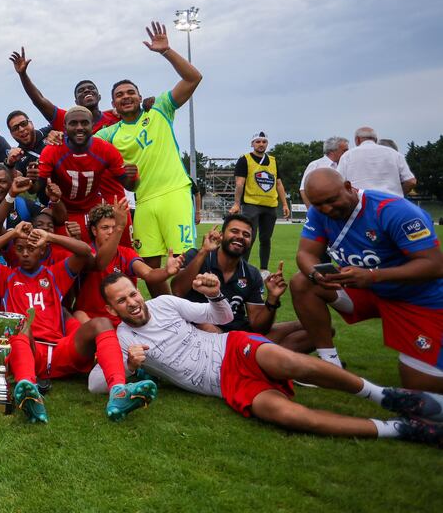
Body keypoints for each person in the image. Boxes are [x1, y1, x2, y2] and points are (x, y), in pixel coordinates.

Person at [89, 272, 443, 445]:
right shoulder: (120, 339)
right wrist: (130, 367)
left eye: (132, 293)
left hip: (230, 347)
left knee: (293, 362)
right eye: (121, 301)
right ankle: (399, 429)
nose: (132, 303)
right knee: (289, 416)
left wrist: (215, 297)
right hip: (226, 384)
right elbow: (94, 385)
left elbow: (221, 319)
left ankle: (385, 396)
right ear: (111, 308)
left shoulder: (163, 303)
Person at [0, 222, 157, 423]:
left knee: (101, 323)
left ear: (43, 251)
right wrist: (12, 233)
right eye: (19, 248)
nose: (24, 254)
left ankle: (118, 391)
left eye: (31, 249)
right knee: (22, 325)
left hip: (61, 349)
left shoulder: (55, 274)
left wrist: (50, 236)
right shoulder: (7, 277)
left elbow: (84, 252)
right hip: (29, 352)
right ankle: (29, 390)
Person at [289, 169, 443, 391]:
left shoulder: (395, 211)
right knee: (302, 282)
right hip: (367, 291)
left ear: (348, 187)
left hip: (415, 298)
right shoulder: (318, 213)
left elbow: (434, 265)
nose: (326, 209)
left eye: (331, 201)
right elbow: (305, 253)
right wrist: (316, 274)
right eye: (318, 204)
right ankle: (330, 367)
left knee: (419, 385)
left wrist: (373, 276)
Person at [94, 21, 204, 272]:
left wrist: (166, 51)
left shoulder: (160, 110)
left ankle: (189, 310)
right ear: (113, 104)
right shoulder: (110, 133)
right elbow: (80, 142)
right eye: (120, 95)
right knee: (149, 268)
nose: (126, 96)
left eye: (130, 92)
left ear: (139, 96)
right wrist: (55, 135)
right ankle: (166, 312)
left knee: (186, 262)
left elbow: (194, 77)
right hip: (142, 202)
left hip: (174, 192)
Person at [171, 214, 312, 352]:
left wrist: (272, 298)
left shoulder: (252, 274)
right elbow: (177, 290)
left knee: (315, 328)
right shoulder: (197, 255)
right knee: (207, 328)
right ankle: (256, 358)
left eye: (246, 234)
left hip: (240, 334)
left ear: (250, 241)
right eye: (234, 231)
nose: (240, 236)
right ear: (221, 235)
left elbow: (258, 327)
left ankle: (254, 359)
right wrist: (204, 251)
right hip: (203, 332)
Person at [36, 106, 137, 249]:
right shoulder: (53, 149)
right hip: (63, 211)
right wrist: (32, 178)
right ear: (64, 126)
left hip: (93, 208)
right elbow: (37, 186)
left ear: (92, 125)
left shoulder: (105, 148)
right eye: (73, 123)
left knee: (118, 249)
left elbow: (130, 186)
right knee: (63, 257)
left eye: (84, 123)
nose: (79, 127)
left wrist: (133, 177)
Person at [73, 200, 182, 324]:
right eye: (105, 227)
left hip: (123, 320)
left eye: (114, 227)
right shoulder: (85, 252)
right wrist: (119, 227)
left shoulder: (126, 253)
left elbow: (148, 274)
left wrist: (166, 272)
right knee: (78, 315)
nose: (110, 232)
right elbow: (99, 263)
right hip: (92, 320)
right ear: (94, 230)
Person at [10, 48, 119, 133]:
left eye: (91, 88)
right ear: (76, 102)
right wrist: (23, 75)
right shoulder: (66, 119)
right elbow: (39, 100)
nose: (86, 90)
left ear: (99, 96)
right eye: (81, 90)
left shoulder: (116, 117)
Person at [229, 131, 291, 276]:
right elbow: (239, 184)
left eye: (264, 141)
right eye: (258, 141)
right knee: (248, 237)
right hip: (251, 205)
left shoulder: (274, 161)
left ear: (267, 143)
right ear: (252, 144)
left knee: (266, 239)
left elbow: (279, 184)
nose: (261, 144)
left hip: (270, 205)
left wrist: (285, 204)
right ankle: (241, 267)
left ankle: (264, 269)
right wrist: (237, 203)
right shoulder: (244, 160)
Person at [338, 126, 417, 197]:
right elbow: (411, 181)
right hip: (390, 202)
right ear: (375, 139)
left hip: (361, 203)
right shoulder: (395, 154)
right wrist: (399, 195)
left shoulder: (347, 156)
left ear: (357, 139)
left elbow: (338, 182)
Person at [299, 136, 349, 206]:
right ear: (332, 151)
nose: (347, 153)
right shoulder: (315, 165)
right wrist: (311, 211)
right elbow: (303, 189)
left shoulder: (346, 166)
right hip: (321, 211)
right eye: (344, 151)